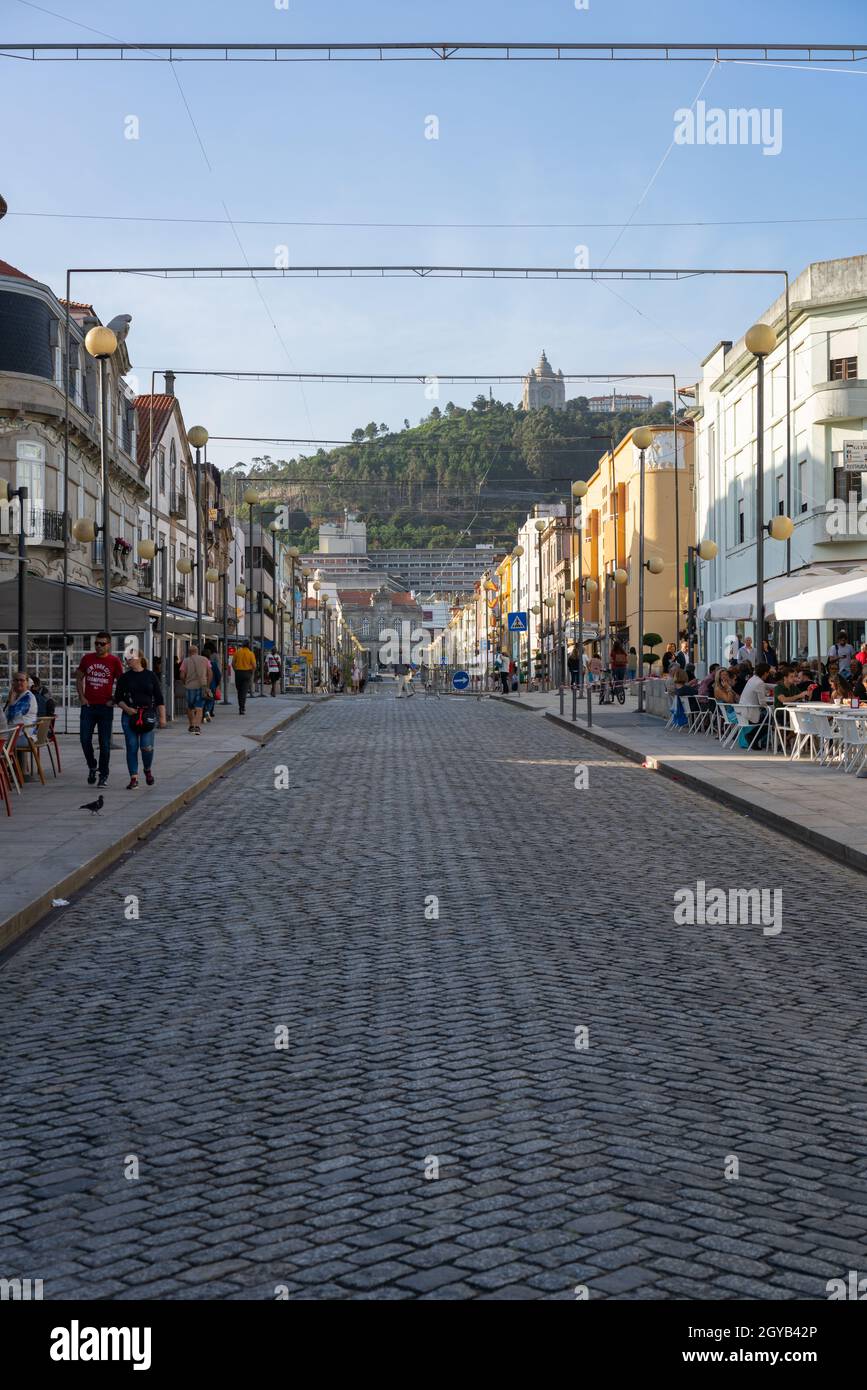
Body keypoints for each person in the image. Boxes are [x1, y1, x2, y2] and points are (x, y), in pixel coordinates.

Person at [76, 632, 124, 787]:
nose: (98, 646)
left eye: (102, 644)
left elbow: (121, 683)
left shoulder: (114, 661)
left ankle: (103, 775)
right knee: (84, 740)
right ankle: (92, 765)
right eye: (96, 643)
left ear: (109, 645)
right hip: (88, 707)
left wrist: (114, 699)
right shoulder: (87, 659)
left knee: (104, 744)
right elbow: (78, 678)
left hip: (105, 707)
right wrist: (82, 697)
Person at [114, 650, 166, 789]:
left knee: (146, 747)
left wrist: (162, 718)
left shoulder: (150, 676)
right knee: (131, 746)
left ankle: (147, 770)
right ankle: (134, 778)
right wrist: (127, 709)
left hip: (147, 715)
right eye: (127, 658)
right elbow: (118, 698)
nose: (128, 660)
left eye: (131, 657)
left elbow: (159, 698)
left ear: (139, 658)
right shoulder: (124, 677)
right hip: (129, 715)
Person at [179, 644, 212, 734]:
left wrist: (185, 682)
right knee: (199, 707)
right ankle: (197, 726)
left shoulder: (185, 661)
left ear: (189, 652)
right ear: (197, 651)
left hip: (190, 687)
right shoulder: (205, 660)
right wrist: (207, 685)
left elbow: (182, 675)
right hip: (202, 686)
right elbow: (210, 673)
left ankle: (191, 725)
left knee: (190, 707)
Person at [739, 660, 773, 747]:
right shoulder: (759, 682)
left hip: (742, 712)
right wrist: (772, 707)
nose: (769, 674)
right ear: (765, 673)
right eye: (768, 672)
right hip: (751, 714)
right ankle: (753, 737)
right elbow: (762, 703)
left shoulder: (753, 679)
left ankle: (753, 737)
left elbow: (765, 685)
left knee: (768, 717)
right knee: (771, 719)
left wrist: (778, 686)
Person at [4, 671, 38, 747]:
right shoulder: (19, 696)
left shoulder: (27, 697)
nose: (19, 682)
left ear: (27, 683)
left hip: (24, 737)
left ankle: (6, 757)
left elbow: (11, 716)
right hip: (17, 734)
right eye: (16, 680)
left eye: (22, 680)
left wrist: (11, 701)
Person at [232, 639, 256, 715]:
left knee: (239, 691)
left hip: (238, 673)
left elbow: (232, 663)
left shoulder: (237, 652)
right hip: (247, 673)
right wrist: (252, 673)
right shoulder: (250, 653)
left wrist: (236, 670)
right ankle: (242, 707)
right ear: (249, 645)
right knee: (244, 691)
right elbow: (254, 666)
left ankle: (241, 706)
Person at [202, 645, 221, 722]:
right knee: (210, 700)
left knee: (202, 699)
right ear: (209, 656)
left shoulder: (200, 664)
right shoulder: (213, 664)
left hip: (201, 685)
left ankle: (203, 712)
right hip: (211, 685)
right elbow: (218, 675)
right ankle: (208, 711)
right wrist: (217, 685)